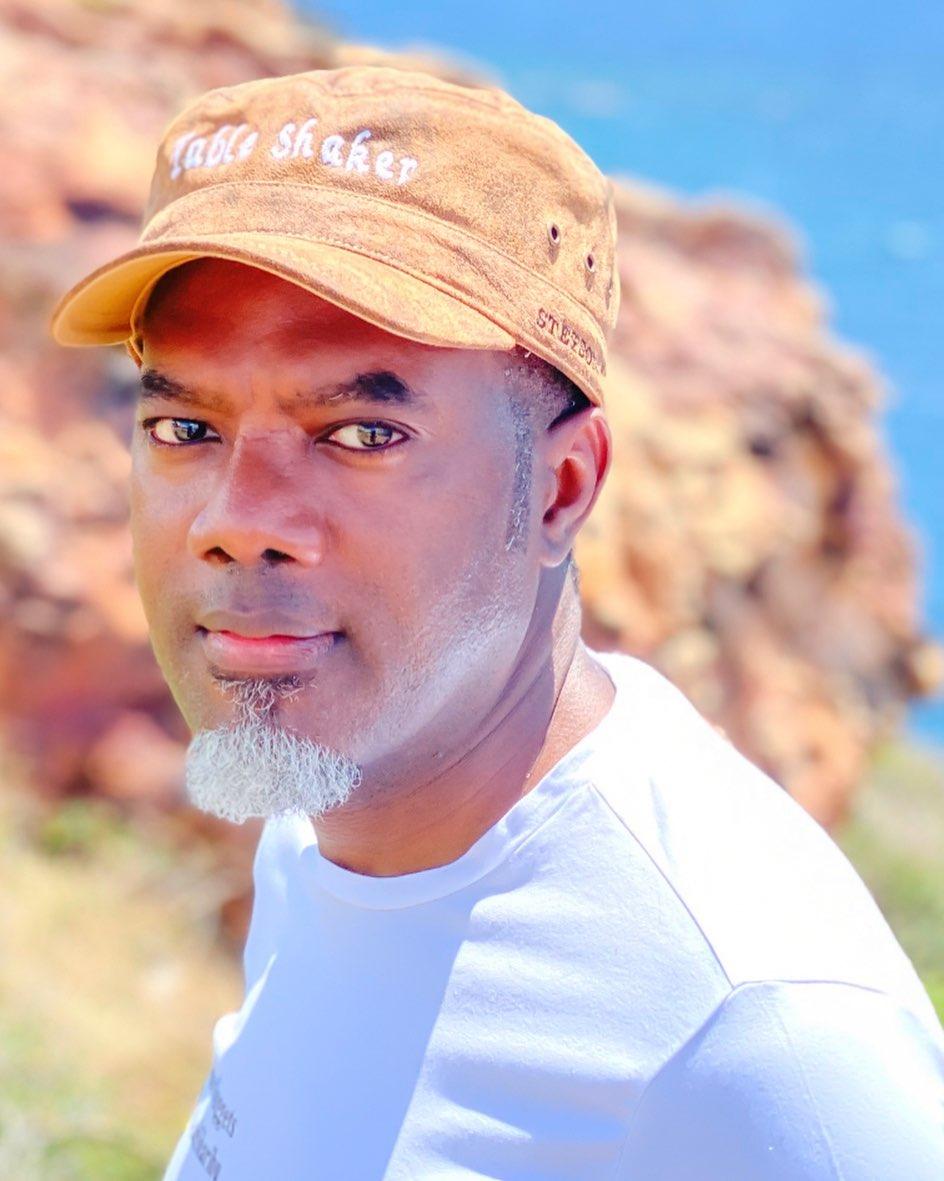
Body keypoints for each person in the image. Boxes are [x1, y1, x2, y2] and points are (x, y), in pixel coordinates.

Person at [50, 65, 943, 1180]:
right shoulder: (327, 814)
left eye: (361, 434)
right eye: (185, 428)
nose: (238, 521)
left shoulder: (760, 1041)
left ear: (561, 488)